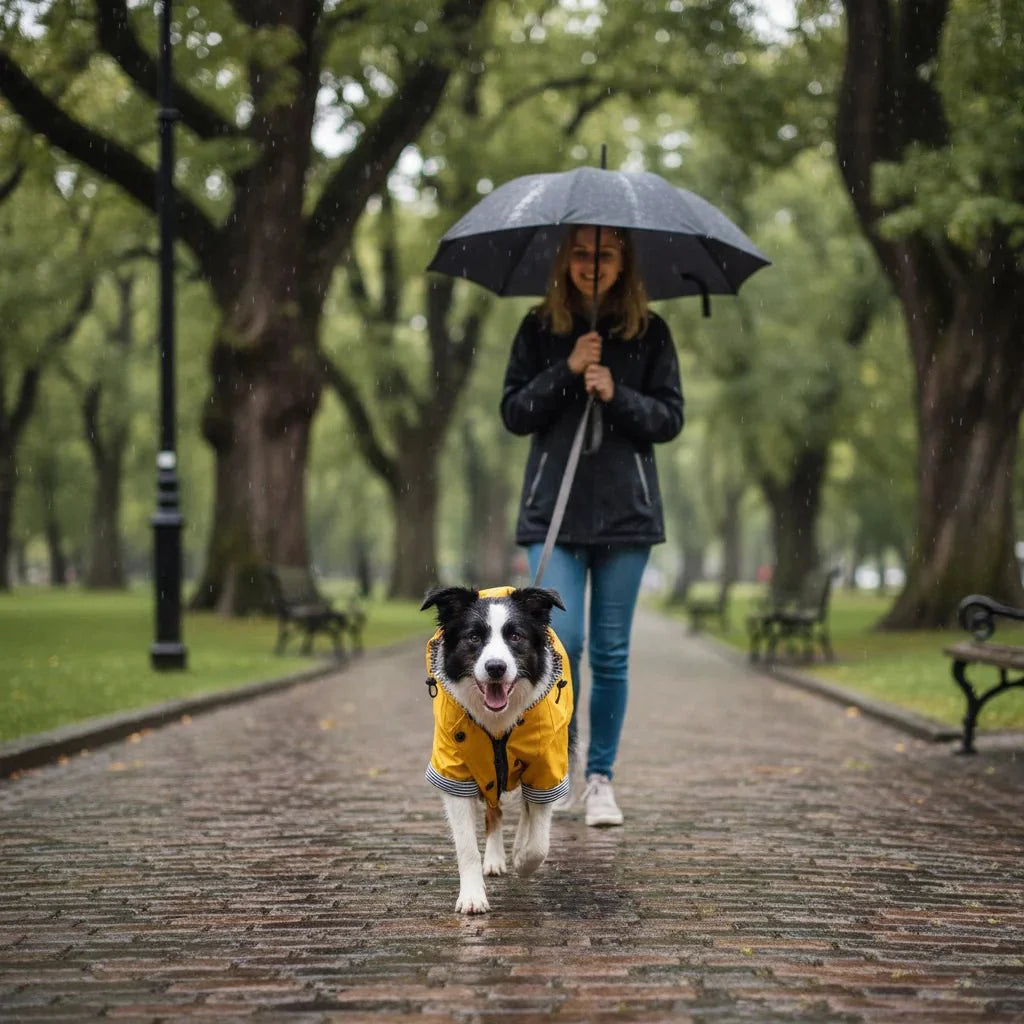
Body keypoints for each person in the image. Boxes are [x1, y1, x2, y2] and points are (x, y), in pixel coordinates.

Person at [500, 224, 684, 827]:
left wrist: (616, 391)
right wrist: (568, 368)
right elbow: (515, 412)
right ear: (565, 260)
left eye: (604, 253)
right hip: (551, 514)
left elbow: (669, 419)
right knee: (562, 642)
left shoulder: (650, 332)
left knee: (610, 652)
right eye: (580, 253)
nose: (591, 264)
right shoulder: (538, 328)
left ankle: (600, 778)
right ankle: (557, 765)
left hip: (626, 517)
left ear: (624, 261)